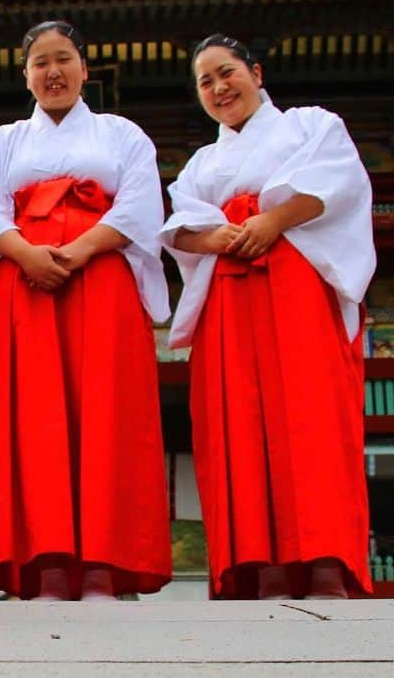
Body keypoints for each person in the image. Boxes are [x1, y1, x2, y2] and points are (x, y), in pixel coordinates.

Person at [161, 33, 374, 599]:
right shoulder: (203, 162)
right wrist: (220, 235)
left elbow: (340, 184)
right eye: (205, 81)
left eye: (226, 72)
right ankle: (260, 566)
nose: (218, 87)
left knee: (312, 418)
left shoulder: (310, 125)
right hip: (230, 299)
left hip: (298, 282)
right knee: (239, 424)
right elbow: (181, 228)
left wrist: (270, 222)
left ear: (255, 72)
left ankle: (326, 562)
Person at [0, 20, 172, 601]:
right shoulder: (5, 141)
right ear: (25, 75)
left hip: (101, 276)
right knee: (31, 417)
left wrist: (80, 248)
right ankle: (44, 560)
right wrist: (24, 252)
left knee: (107, 411)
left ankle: (108, 560)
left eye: (63, 60)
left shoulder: (122, 134)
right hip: (23, 282)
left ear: (85, 68)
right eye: (40, 63)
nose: (52, 72)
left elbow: (139, 202)